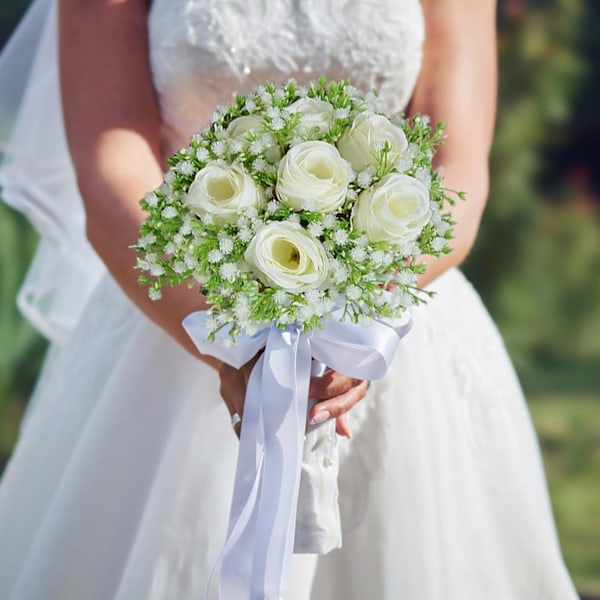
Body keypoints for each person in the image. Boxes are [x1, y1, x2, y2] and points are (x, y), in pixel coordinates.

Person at [0, 0, 578, 598]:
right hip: (175, 313)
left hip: (394, 312)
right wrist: (231, 340)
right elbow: (110, 163)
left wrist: (354, 326)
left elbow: (457, 168)